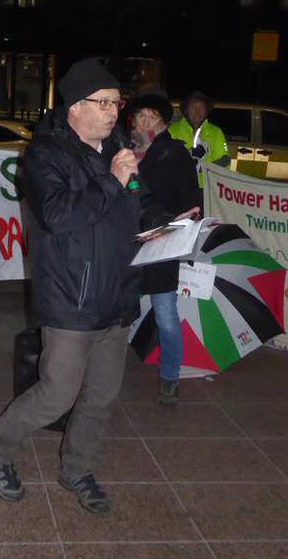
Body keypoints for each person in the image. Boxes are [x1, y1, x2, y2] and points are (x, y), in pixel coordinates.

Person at [0, 57, 140, 515]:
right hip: (71, 298)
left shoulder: (118, 151)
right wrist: (112, 181)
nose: (112, 111)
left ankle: (77, 468)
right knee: (57, 393)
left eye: (116, 102)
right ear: (74, 108)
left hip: (117, 295)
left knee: (101, 396)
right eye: (102, 102)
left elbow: (126, 217)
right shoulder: (46, 155)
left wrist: (166, 227)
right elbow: (60, 215)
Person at [128, 90, 201, 405]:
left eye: (151, 117)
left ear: (161, 122)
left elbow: (192, 205)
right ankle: (104, 372)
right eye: (140, 116)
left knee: (165, 313)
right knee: (116, 312)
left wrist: (168, 230)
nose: (144, 122)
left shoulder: (174, 153)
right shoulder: (126, 151)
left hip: (161, 243)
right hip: (127, 244)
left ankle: (170, 376)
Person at [169, 90, 230, 191]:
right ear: (186, 110)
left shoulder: (216, 132)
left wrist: (203, 168)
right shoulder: (172, 131)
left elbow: (225, 160)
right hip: (179, 188)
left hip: (208, 189)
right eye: (193, 107)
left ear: (207, 111)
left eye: (201, 108)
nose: (197, 112)